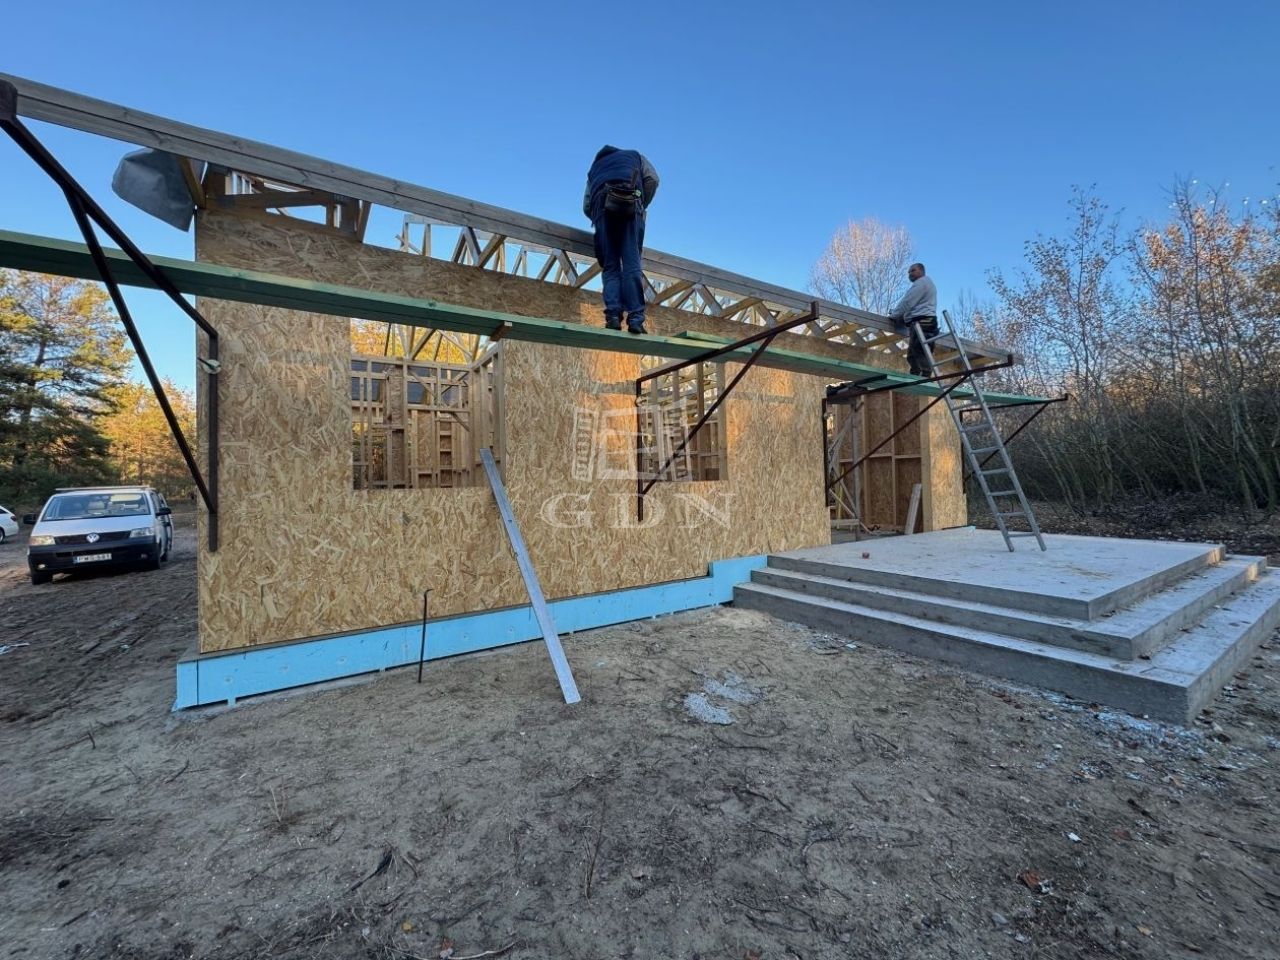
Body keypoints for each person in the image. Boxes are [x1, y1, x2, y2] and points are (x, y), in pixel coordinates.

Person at [582, 146, 659, 334]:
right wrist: (641, 205)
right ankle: (636, 319)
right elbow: (652, 179)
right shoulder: (635, 156)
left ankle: (613, 317)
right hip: (630, 203)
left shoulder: (595, 168)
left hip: (602, 208)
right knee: (631, 263)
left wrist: (599, 219)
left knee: (611, 266)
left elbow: (586, 205)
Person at [888, 262, 938, 376]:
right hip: (926, 321)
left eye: (913, 270)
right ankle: (916, 374)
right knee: (913, 354)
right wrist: (903, 318)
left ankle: (924, 376)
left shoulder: (921, 283)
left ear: (921, 271)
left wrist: (894, 315)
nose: (910, 273)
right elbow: (913, 306)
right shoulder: (927, 283)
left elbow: (907, 302)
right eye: (909, 272)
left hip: (922, 322)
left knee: (919, 350)